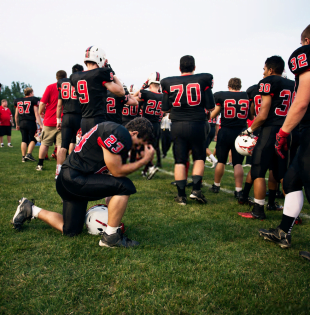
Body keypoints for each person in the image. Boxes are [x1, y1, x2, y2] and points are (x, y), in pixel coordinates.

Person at [12, 118, 155, 248]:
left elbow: (111, 176)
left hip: (69, 180)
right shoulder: (119, 133)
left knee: (71, 230)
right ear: (134, 133)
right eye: (142, 143)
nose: (140, 147)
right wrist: (143, 161)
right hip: (74, 179)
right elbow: (117, 172)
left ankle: (30, 209)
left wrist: (112, 215)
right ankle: (111, 237)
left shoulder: (116, 132)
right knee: (126, 185)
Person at [259, 25, 310, 253]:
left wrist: (283, 132)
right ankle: (283, 231)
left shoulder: (305, 53)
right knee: (291, 181)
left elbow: (302, 101)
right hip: (305, 132)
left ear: (306, 41)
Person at [238, 56, 295, 220]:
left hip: (270, 131)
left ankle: (258, 210)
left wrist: (249, 131)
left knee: (258, 170)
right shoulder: (292, 84)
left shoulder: (268, 81)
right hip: (287, 130)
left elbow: (263, 115)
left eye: (264, 69)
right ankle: (293, 214)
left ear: (270, 69)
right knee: (282, 174)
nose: (263, 73)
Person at [161, 55, 215, 205]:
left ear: (179, 68)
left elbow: (165, 108)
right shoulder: (203, 79)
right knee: (198, 157)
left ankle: (180, 196)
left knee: (180, 160)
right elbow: (211, 106)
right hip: (198, 123)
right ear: (194, 67)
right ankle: (196, 190)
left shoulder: (168, 82)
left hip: (178, 124)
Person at [209, 78, 252, 198]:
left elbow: (213, 114)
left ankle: (216, 185)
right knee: (238, 163)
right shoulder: (246, 96)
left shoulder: (222, 95)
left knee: (221, 161)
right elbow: (251, 114)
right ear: (240, 86)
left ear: (229, 86)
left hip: (225, 131)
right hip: (240, 133)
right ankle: (238, 190)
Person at [70, 46, 125, 135]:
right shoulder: (99, 73)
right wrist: (113, 75)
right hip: (97, 119)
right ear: (99, 58)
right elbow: (121, 92)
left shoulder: (75, 76)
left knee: (88, 148)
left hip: (84, 120)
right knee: (100, 148)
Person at [55, 64, 84, 179]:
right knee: (78, 144)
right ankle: (75, 168)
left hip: (66, 116)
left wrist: (58, 120)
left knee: (63, 146)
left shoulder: (62, 83)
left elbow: (59, 105)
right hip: (79, 116)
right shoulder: (82, 81)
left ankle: (58, 172)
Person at [36, 70, 66, 171]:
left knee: (44, 143)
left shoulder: (50, 87)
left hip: (49, 120)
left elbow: (42, 103)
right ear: (66, 77)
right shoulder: (68, 87)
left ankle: (40, 164)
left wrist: (41, 112)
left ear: (56, 77)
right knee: (60, 146)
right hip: (63, 120)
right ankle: (59, 168)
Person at [134, 72, 163, 178]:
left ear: (149, 83)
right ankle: (147, 169)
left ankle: (150, 167)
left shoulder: (145, 93)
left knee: (140, 147)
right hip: (156, 125)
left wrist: (143, 85)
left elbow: (133, 96)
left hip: (146, 124)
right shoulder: (163, 96)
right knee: (150, 147)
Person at [14, 88, 42, 162]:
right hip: (31, 122)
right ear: (30, 93)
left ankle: (23, 157)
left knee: (24, 139)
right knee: (34, 139)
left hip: (22, 122)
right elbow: (36, 113)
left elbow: (16, 115)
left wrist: (17, 124)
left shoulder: (18, 100)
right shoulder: (33, 99)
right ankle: (29, 154)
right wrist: (40, 124)